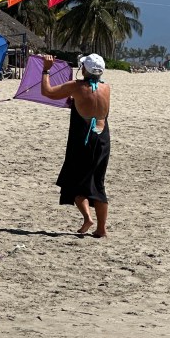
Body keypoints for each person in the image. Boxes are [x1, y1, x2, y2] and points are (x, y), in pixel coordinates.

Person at [40, 53, 111, 238]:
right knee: (98, 183)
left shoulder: (76, 86)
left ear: (85, 70)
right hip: (102, 139)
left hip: (83, 139)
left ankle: (87, 217)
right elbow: (92, 104)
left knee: (75, 182)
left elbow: (47, 92)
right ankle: (102, 229)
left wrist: (46, 70)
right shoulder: (106, 88)